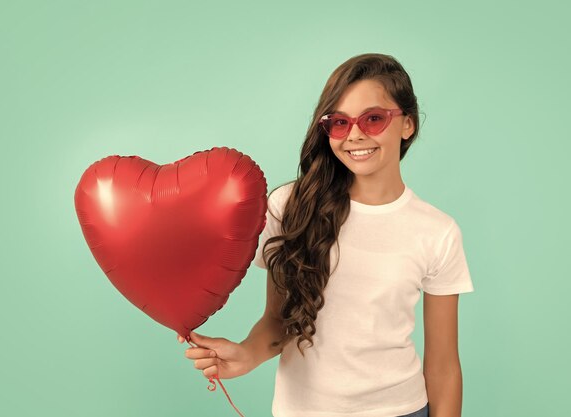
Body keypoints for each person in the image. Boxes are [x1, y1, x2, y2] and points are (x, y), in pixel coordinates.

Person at [178, 53, 474, 417]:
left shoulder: (437, 231)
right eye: (339, 122)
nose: (354, 135)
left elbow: (443, 368)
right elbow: (278, 321)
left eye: (374, 119)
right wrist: (246, 355)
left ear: (408, 124)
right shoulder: (290, 207)